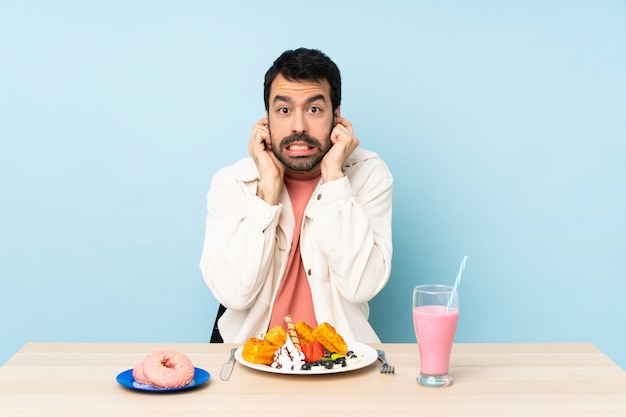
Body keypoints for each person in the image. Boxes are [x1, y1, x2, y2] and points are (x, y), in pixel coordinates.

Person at [199, 47, 393, 344]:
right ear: (266, 120)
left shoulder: (369, 176)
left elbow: (360, 287)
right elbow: (234, 295)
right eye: (284, 110)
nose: (299, 126)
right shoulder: (232, 183)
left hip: (341, 361)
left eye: (314, 109)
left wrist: (334, 177)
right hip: (251, 360)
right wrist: (266, 192)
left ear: (337, 118)